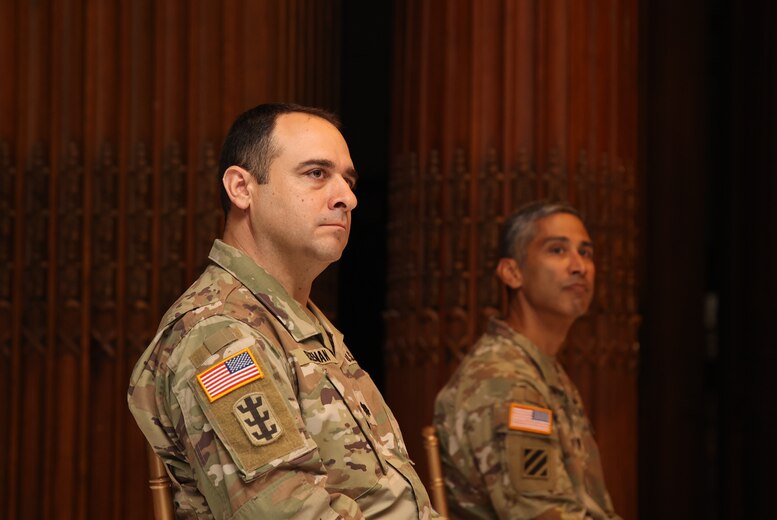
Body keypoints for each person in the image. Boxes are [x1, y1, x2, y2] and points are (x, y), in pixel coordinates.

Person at [129, 103, 437, 519]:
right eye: (316, 174)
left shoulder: (295, 319)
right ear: (241, 188)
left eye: (348, 180)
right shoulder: (220, 333)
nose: (347, 197)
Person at [433, 201, 621, 519]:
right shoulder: (505, 382)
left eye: (585, 252)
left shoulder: (539, 369)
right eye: (558, 250)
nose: (579, 266)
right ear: (512, 272)